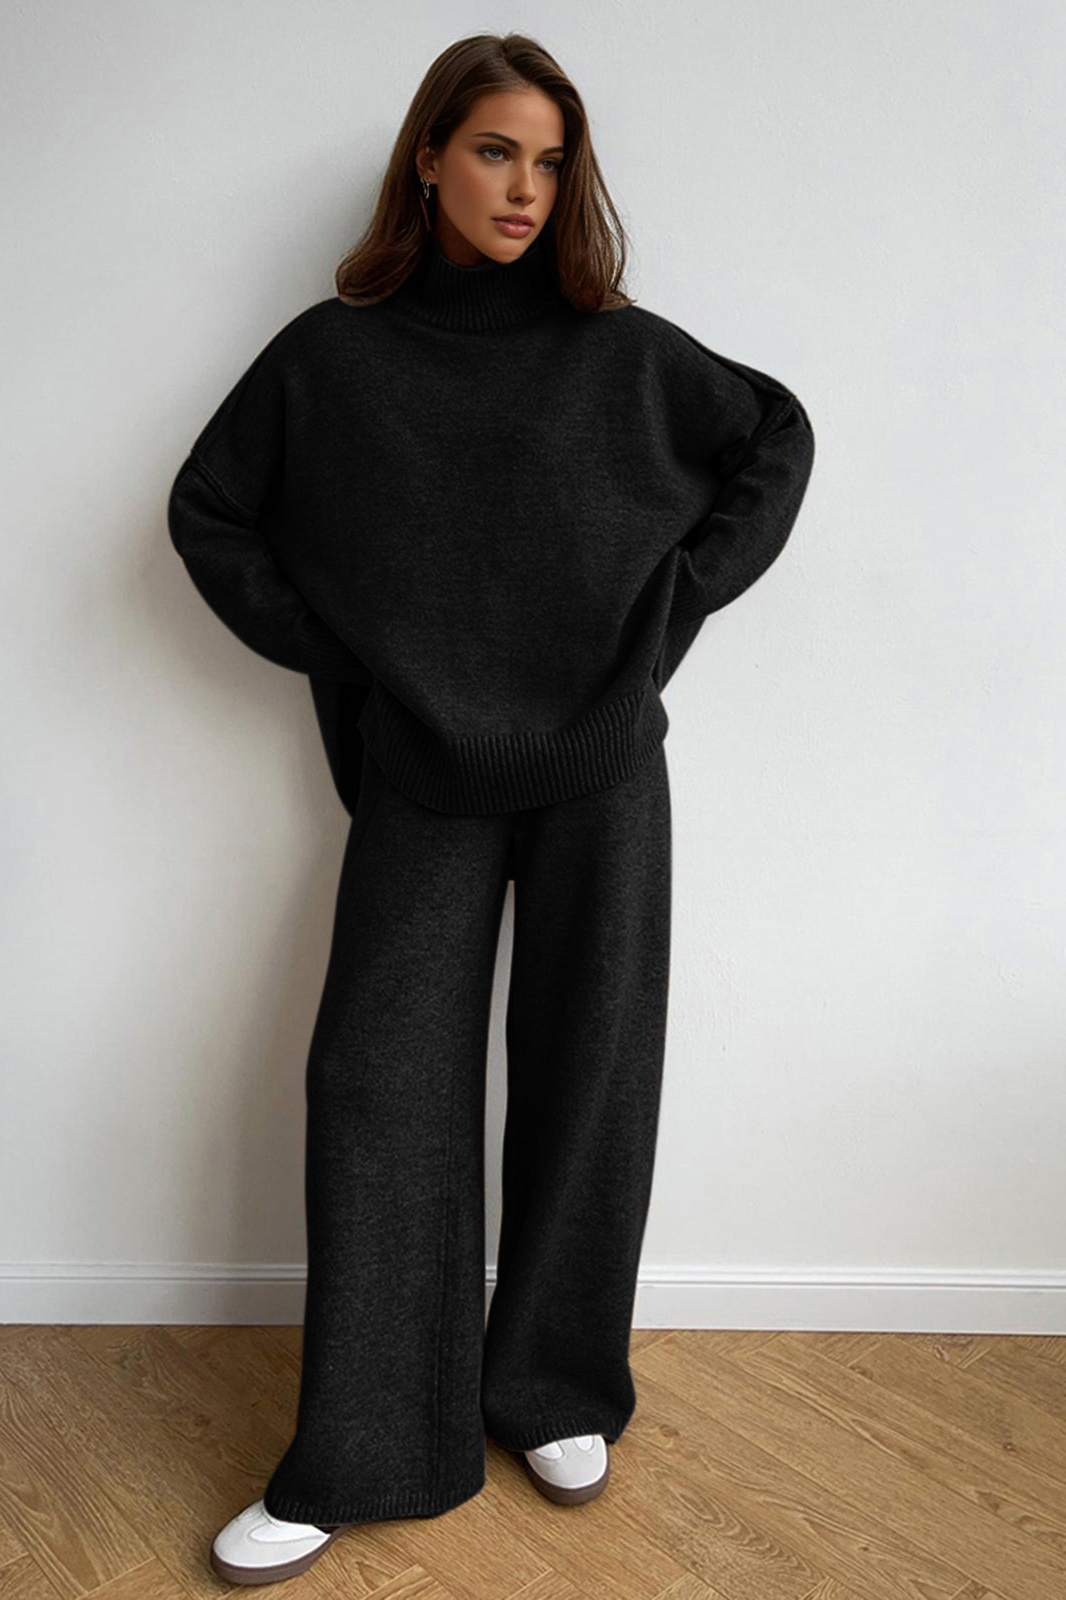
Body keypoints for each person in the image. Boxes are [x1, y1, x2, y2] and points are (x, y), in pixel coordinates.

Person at [167, 31, 815, 1588]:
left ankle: (554, 1388)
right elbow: (210, 511)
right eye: (495, 152)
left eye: (550, 161)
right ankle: (363, 1446)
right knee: (378, 1090)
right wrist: (353, 660)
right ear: (430, 159)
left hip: (604, 768)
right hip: (426, 774)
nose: (526, 188)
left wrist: (667, 615)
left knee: (594, 1068)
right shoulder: (336, 360)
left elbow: (773, 440)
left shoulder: (622, 352)